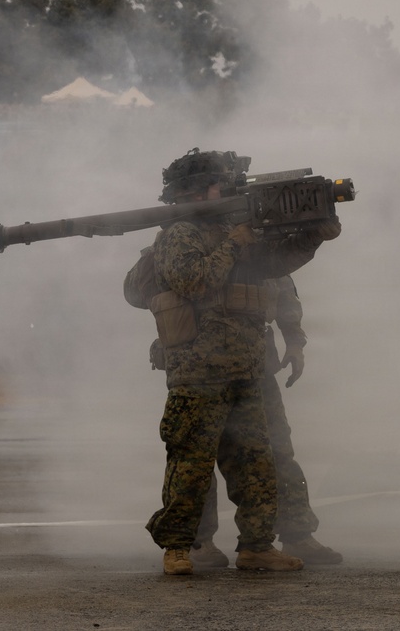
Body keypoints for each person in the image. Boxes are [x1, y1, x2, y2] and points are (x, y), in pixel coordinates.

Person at [124, 148, 341, 576]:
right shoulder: (180, 234)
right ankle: (184, 546)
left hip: (247, 365)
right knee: (193, 460)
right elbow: (194, 282)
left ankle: (258, 545)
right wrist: (233, 243)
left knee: (258, 458)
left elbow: (275, 270)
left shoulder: (236, 231)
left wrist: (314, 234)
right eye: (218, 182)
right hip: (199, 370)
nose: (227, 187)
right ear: (197, 191)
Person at [190, 275, 343, 567]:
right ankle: (197, 541)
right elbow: (140, 289)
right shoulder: (189, 236)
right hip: (200, 369)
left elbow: (283, 290)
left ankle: (294, 533)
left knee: (278, 449)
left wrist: (295, 342)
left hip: (254, 365)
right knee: (197, 457)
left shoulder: (256, 241)